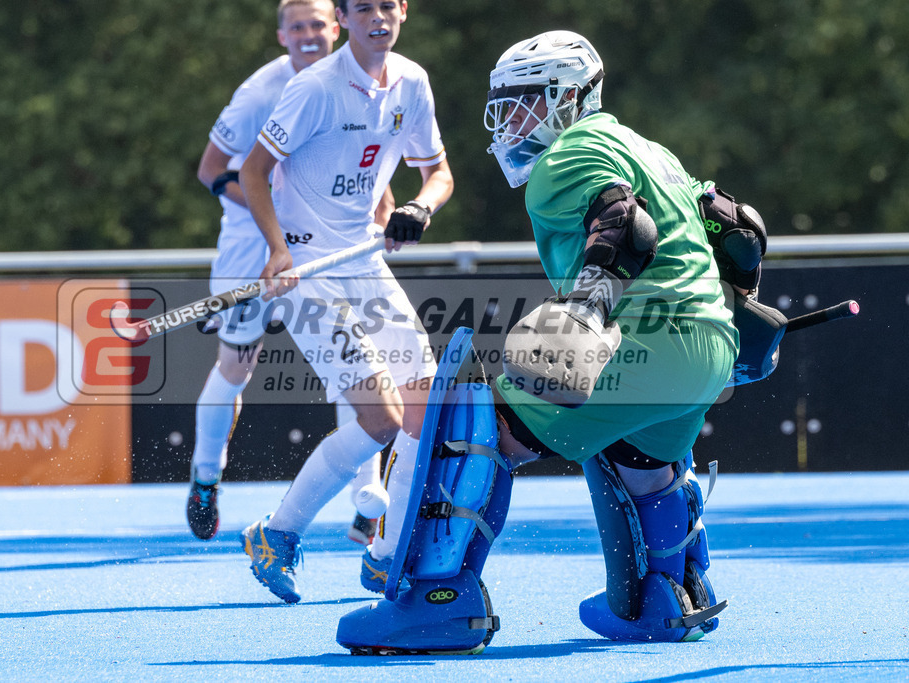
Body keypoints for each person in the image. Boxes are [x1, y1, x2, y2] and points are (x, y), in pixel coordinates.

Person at [339, 30, 762, 652]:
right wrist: (738, 314)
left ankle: (438, 605)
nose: (510, 121)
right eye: (505, 106)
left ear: (569, 96)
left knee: (478, 422)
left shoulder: (567, 155)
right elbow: (738, 227)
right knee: (642, 464)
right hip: (705, 349)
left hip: (643, 340)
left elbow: (625, 223)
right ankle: (668, 596)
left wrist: (586, 311)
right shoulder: (650, 149)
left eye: (524, 102)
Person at [238, 0, 454, 604]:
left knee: (423, 405)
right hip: (309, 272)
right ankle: (277, 533)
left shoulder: (413, 82)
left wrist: (419, 207)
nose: (377, 17)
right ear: (344, 17)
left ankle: (387, 556)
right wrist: (277, 250)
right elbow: (254, 172)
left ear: (403, 10)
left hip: (364, 263)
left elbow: (438, 172)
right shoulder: (315, 89)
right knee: (381, 418)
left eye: (387, 5)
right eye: (363, 8)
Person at [186, 0, 388, 545]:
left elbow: (370, 157)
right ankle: (206, 477)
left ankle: (367, 504)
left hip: (324, 248)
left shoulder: (362, 79)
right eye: (296, 26)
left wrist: (383, 205)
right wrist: (274, 210)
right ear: (282, 35)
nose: (309, 35)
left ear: (335, 27)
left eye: (317, 24)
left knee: (356, 366)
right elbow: (210, 170)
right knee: (236, 367)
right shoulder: (259, 93)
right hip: (252, 251)